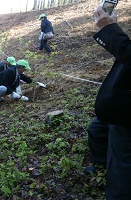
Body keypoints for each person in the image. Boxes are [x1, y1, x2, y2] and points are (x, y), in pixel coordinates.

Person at [85, 5, 131, 199]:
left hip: (126, 113)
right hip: (119, 104)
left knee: (123, 165)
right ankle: (102, 166)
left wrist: (110, 30)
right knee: (97, 130)